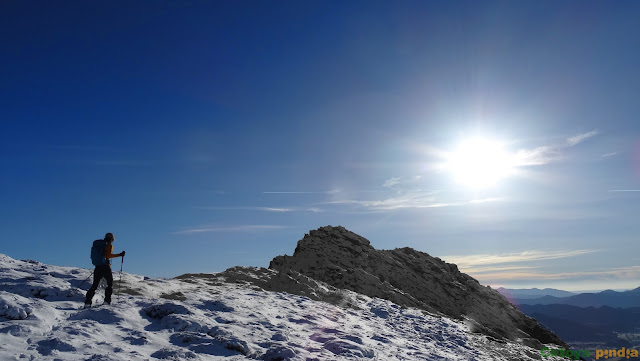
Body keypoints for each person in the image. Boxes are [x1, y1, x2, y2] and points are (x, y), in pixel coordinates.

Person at [84, 232, 125, 306]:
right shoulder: (108, 245)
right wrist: (119, 255)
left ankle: (87, 302)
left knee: (95, 285)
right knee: (109, 284)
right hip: (105, 267)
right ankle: (107, 301)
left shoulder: (99, 244)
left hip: (98, 267)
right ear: (112, 239)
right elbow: (107, 255)